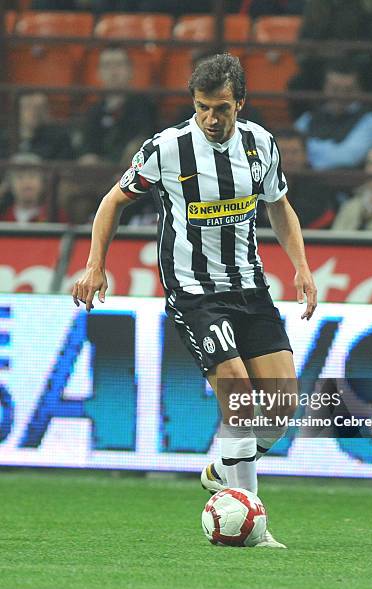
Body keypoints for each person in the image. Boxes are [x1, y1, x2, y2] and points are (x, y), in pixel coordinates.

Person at [72, 53, 317, 548]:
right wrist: (96, 263)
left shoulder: (261, 145)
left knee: (282, 404)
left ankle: (224, 467)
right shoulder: (167, 149)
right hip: (195, 293)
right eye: (203, 107)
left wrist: (302, 266)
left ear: (240, 103)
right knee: (241, 397)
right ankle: (254, 524)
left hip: (250, 287)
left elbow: (279, 206)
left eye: (221, 108)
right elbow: (112, 200)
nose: (210, 118)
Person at [294, 59, 372, 170]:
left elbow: (346, 158)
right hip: (306, 183)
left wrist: (310, 150)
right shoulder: (308, 118)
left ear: (359, 90)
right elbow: (291, 152)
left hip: (349, 184)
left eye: (348, 90)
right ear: (325, 88)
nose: (341, 95)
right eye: (335, 89)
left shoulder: (371, 120)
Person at [78, 46, 157, 165]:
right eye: (107, 66)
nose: (113, 72)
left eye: (119, 65)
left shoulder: (145, 107)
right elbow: (86, 148)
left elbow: (143, 144)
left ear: (131, 71)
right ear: (99, 73)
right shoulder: (93, 111)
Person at [0, 153, 68, 223]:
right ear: (10, 184)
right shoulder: (3, 216)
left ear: (42, 182)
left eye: (32, 176)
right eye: (20, 177)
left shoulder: (56, 216)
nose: (27, 182)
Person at [15, 92, 74, 160]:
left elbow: (64, 166)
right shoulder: (5, 138)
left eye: (39, 108)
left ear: (47, 111)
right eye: (28, 106)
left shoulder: (60, 138)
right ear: (18, 110)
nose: (33, 112)